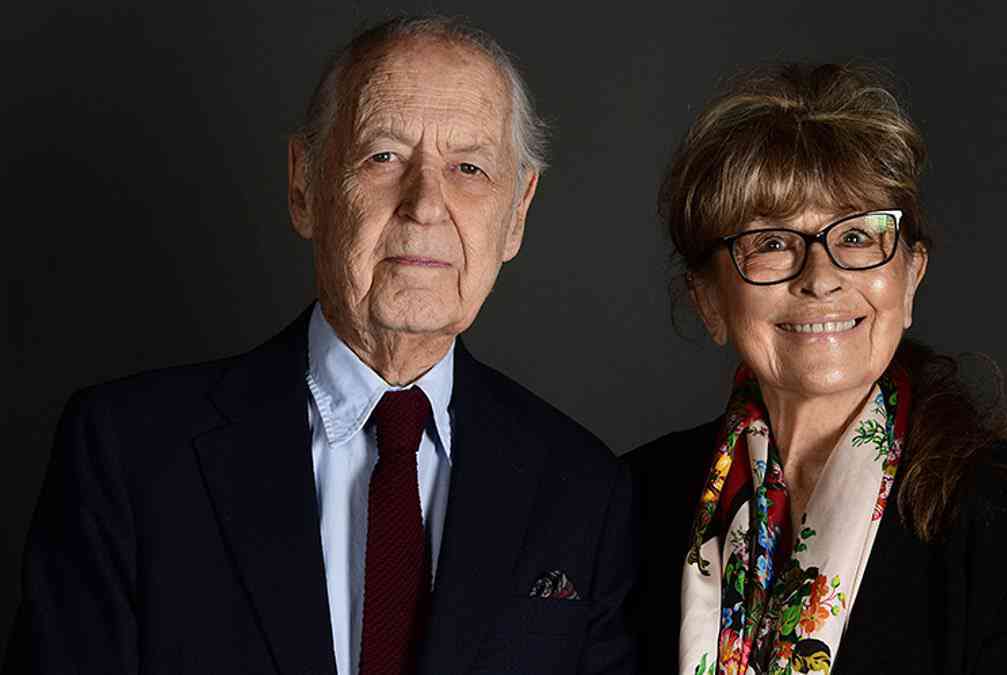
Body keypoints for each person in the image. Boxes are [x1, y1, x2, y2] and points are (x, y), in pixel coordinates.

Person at [5, 16, 635, 675]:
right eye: (383, 156)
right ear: (305, 184)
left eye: (469, 167)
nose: (425, 204)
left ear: (518, 214)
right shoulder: (128, 456)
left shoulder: (583, 491)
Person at [626, 63, 1007, 674]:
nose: (820, 278)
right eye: (771, 242)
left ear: (910, 278)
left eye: (857, 236)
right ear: (710, 301)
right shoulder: (629, 502)